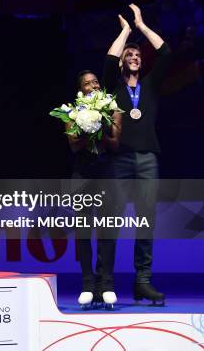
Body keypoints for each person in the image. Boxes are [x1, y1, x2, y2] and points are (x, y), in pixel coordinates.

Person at [103, 4, 171, 305]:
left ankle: (142, 281)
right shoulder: (113, 87)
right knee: (113, 220)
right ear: (122, 63)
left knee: (146, 221)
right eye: (129, 55)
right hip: (119, 161)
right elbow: (108, 61)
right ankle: (105, 283)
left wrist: (142, 26)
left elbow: (166, 52)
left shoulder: (151, 87)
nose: (134, 57)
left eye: (138, 55)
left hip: (147, 160)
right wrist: (125, 32)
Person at [68, 70, 122, 309]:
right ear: (81, 90)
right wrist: (88, 129)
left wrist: (99, 127)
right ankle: (88, 284)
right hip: (82, 175)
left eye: (96, 81)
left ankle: (106, 284)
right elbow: (73, 145)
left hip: (106, 174)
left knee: (107, 230)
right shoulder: (71, 112)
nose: (93, 85)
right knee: (83, 231)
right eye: (87, 83)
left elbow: (115, 143)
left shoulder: (113, 109)